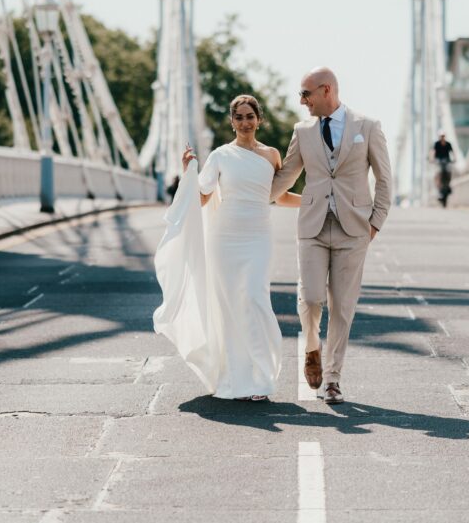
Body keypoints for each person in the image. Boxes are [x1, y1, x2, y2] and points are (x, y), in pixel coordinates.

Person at [153, 95, 301, 401]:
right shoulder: (220, 156)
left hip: (258, 237)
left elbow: (278, 196)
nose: (245, 122)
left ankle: (260, 375)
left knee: (255, 300)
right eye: (239, 117)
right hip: (225, 239)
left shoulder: (272, 155)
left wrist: (314, 203)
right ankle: (238, 379)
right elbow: (203, 198)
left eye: (250, 116)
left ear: (260, 119)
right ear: (231, 121)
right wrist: (188, 173)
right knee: (230, 307)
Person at [269, 67, 392, 405]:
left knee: (342, 307)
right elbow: (287, 176)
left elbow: (384, 179)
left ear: (326, 90)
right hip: (312, 226)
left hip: (355, 230)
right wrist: (246, 195)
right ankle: (312, 347)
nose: (301, 101)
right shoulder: (302, 131)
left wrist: (374, 225)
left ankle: (333, 379)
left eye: (306, 94)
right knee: (310, 298)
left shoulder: (368, 127)